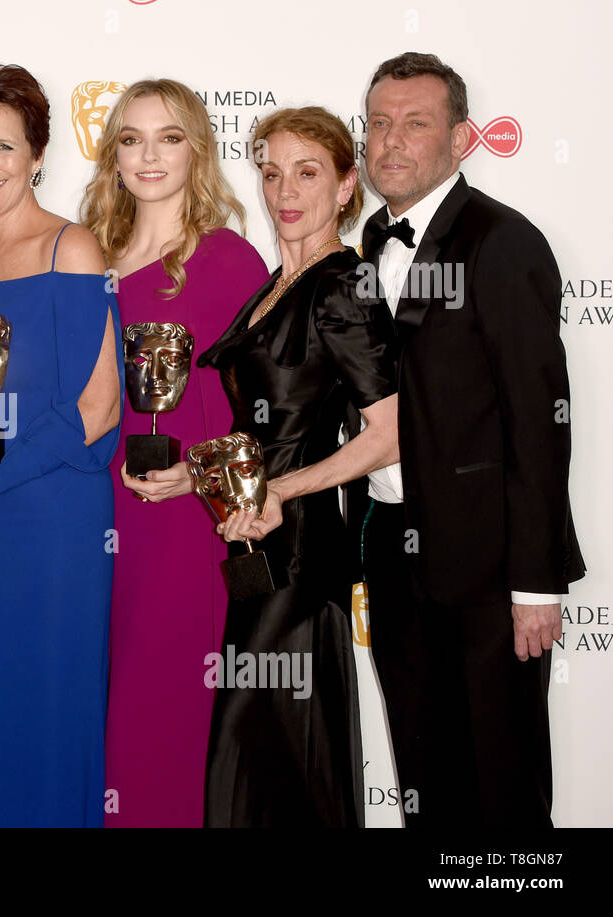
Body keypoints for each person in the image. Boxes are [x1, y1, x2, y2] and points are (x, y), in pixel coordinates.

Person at [359, 52, 584, 828]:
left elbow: (540, 420)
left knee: (504, 787)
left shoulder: (503, 242)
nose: (391, 142)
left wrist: (536, 584)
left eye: (415, 124)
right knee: (426, 780)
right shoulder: (368, 241)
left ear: (460, 138)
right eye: (379, 124)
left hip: (491, 569)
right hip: (394, 552)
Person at [175, 106, 400, 826]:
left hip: (299, 552)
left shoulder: (343, 285)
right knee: (261, 749)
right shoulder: (280, 281)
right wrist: (195, 477)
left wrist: (283, 488)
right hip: (257, 536)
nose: (284, 190)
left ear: (344, 185)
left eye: (307, 173)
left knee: (268, 742)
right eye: (271, 173)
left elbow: (391, 435)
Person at [0, 64, 123, 827]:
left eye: (3, 146)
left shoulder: (73, 250)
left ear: (38, 153)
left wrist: (3, 473)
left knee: (48, 713)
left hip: (51, 521)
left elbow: (99, 404)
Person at [88, 79, 268, 828]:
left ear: (197, 147)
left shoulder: (229, 260)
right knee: (94, 713)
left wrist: (195, 474)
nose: (150, 155)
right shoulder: (83, 253)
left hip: (182, 523)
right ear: (114, 156)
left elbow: (260, 410)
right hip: (90, 513)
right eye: (131, 138)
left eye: (169, 137)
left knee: (162, 710)